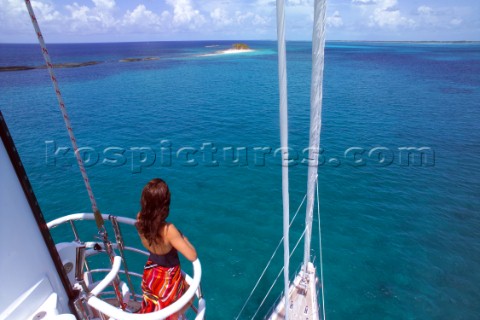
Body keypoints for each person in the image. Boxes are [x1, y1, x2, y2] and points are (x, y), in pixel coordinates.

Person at [136, 178, 197, 319]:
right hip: (168, 277)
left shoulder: (140, 219)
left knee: (153, 304)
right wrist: (183, 238)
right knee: (190, 296)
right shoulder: (169, 230)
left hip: (151, 270)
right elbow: (192, 255)